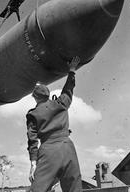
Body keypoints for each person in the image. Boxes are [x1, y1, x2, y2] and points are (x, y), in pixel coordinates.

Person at [26, 56, 82, 192]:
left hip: (49, 150)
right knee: (74, 187)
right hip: (68, 147)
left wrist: (33, 162)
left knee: (38, 189)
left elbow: (32, 140)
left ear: (35, 97)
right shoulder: (61, 103)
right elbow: (68, 89)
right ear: (48, 95)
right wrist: (72, 70)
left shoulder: (33, 114)